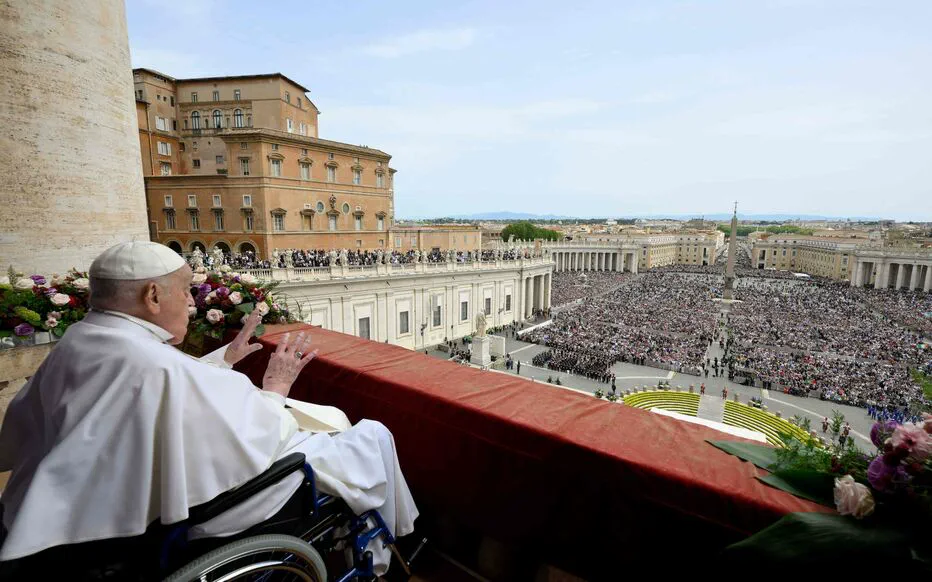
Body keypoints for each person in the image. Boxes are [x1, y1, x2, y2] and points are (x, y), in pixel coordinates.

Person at [0, 242, 417, 574]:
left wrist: (226, 359)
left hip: (88, 505)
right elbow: (257, 432)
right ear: (152, 295)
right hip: (212, 507)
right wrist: (276, 387)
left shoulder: (84, 337)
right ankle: (394, 543)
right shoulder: (153, 362)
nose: (191, 303)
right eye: (185, 291)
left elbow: (167, 389)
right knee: (372, 434)